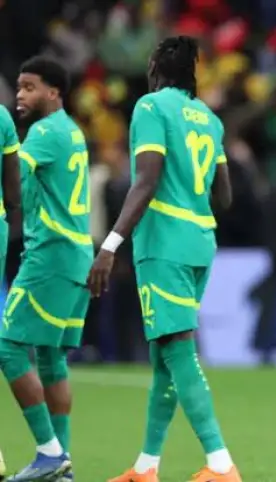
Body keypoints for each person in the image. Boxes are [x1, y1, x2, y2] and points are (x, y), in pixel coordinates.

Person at [86, 36, 242, 482]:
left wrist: (110, 244)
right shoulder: (209, 118)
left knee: (176, 349)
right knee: (164, 357)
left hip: (164, 242)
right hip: (200, 240)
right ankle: (146, 467)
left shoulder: (151, 107)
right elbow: (224, 196)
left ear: (155, 67)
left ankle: (221, 464)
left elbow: (146, 180)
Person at [0, 56, 90, 481]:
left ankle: (49, 452)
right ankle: (62, 465)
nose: (20, 95)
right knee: (51, 358)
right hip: (76, 253)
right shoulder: (71, 131)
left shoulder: (44, 133)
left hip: (51, 254)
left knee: (7, 347)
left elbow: (14, 180)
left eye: (29, 87)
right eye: (19, 87)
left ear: (54, 92)